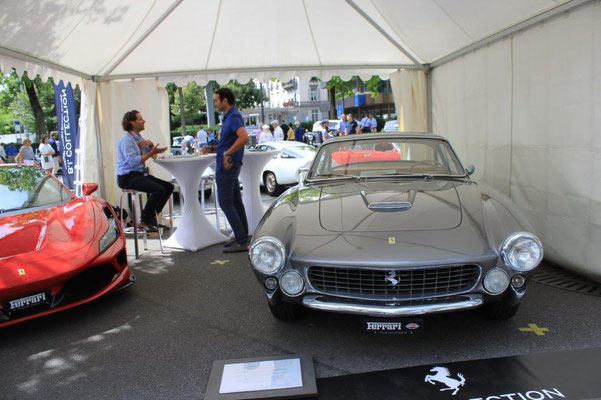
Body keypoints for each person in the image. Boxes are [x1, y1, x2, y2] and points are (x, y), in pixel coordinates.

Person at [206, 88, 250, 253]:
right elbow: (230, 141)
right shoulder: (230, 117)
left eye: (216, 100)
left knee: (225, 203)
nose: (215, 103)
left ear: (225, 100)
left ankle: (241, 240)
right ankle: (242, 236)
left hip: (227, 166)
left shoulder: (233, 117)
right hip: (230, 165)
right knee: (235, 202)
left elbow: (244, 137)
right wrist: (215, 148)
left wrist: (227, 153)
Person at [116, 110, 173, 232]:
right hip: (127, 177)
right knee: (158, 189)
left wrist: (151, 146)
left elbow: (153, 156)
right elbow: (134, 161)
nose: (144, 121)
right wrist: (151, 152)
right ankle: (144, 220)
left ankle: (150, 218)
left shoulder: (138, 138)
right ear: (132, 123)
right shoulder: (126, 140)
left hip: (139, 174)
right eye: (140, 119)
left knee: (169, 187)